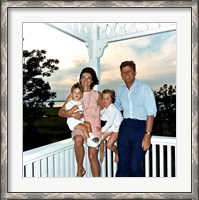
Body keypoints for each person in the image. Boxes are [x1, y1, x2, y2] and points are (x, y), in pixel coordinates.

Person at [58, 67, 103, 177]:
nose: (86, 80)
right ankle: (80, 169)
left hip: (93, 128)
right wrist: (72, 114)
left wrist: (106, 129)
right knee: (78, 139)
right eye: (83, 77)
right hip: (78, 126)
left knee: (92, 156)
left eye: (89, 78)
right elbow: (60, 112)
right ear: (80, 79)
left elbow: (106, 112)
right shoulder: (73, 94)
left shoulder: (98, 94)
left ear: (92, 81)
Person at [115, 60, 157, 177]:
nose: (126, 74)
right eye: (123, 72)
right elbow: (116, 108)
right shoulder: (120, 90)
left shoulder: (144, 89)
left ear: (135, 72)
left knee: (135, 165)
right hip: (125, 127)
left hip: (141, 127)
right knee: (123, 164)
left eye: (129, 71)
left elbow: (151, 113)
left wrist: (147, 135)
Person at [65, 82, 100, 148]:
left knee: (88, 124)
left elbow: (81, 112)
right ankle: (89, 141)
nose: (76, 94)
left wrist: (81, 115)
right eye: (74, 92)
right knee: (84, 127)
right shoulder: (70, 103)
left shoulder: (80, 102)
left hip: (79, 121)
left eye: (78, 93)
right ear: (71, 94)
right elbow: (67, 113)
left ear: (81, 95)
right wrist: (73, 109)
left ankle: (91, 136)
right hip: (73, 123)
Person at [96, 89, 123, 163]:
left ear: (112, 99)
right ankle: (102, 152)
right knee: (100, 138)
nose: (105, 100)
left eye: (107, 98)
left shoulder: (113, 109)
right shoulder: (106, 108)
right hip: (111, 128)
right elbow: (102, 116)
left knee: (109, 145)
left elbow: (110, 122)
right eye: (103, 98)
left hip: (116, 129)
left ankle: (117, 152)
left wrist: (101, 130)